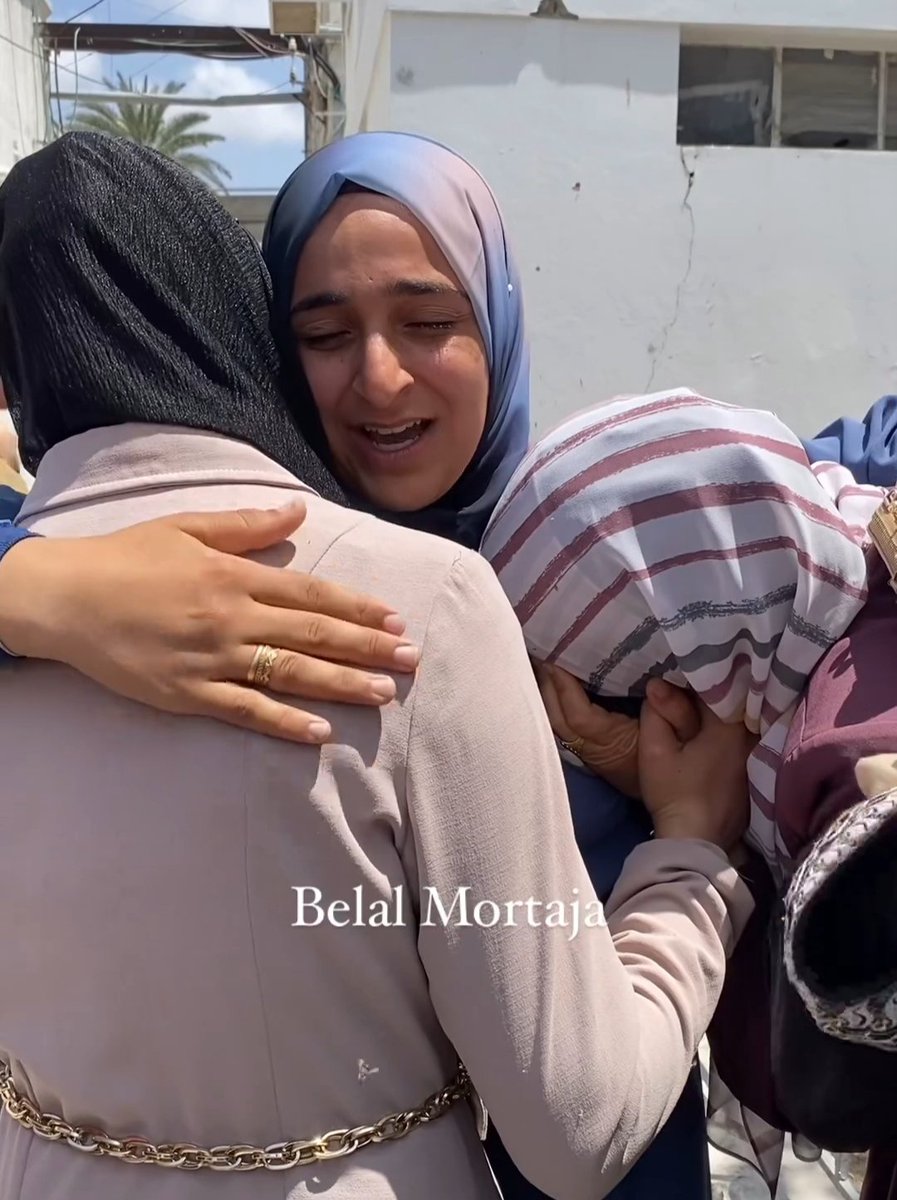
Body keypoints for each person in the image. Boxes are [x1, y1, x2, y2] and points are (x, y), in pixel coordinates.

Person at [0, 132, 755, 1199]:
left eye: (431, 320)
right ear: (248, 333)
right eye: (320, 331)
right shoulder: (402, 603)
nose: (381, 375)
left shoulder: (632, 558)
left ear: (496, 320)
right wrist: (39, 592)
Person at [478, 387, 885, 1191]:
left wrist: (695, 833)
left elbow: (827, 1091)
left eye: (609, 700)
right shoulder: (853, 582)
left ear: (684, 677)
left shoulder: (848, 769)